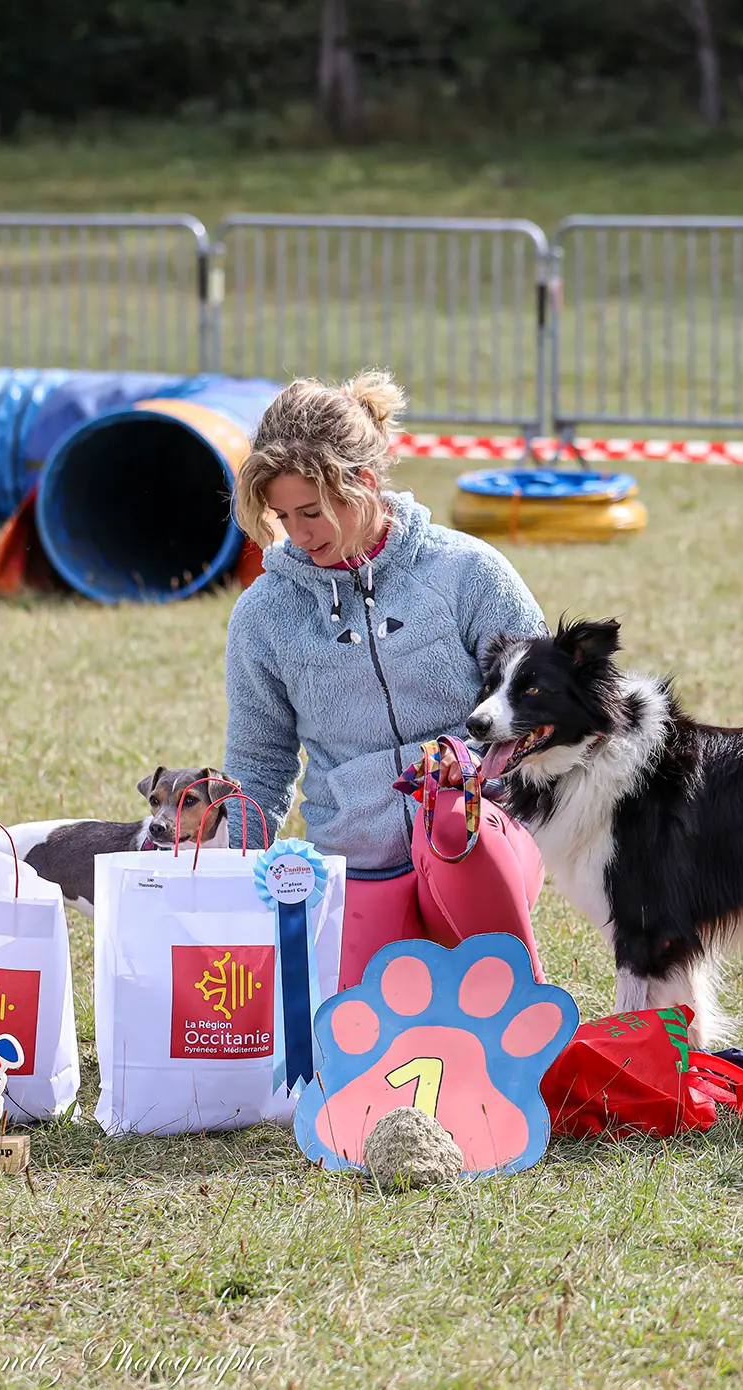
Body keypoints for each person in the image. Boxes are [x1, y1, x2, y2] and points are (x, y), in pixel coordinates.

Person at [223, 370, 549, 988]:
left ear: (364, 485)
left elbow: (538, 703)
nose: (298, 534)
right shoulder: (263, 614)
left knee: (455, 824)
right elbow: (258, 763)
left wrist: (471, 762)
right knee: (367, 1045)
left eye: (312, 512)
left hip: (479, 831)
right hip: (356, 864)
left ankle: (527, 1017)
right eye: (282, 515)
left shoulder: (467, 571)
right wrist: (231, 879)